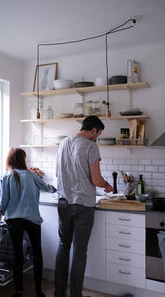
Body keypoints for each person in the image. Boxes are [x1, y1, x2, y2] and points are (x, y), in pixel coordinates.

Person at [54, 115, 113, 297]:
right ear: (93, 130)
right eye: (98, 134)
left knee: (63, 245)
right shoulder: (90, 146)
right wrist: (106, 185)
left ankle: (58, 292)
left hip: (63, 202)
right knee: (79, 251)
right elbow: (96, 179)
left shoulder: (63, 143)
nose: (98, 138)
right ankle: (76, 295)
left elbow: (57, 173)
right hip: (83, 206)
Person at [0, 147, 56, 297]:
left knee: (17, 255)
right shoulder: (32, 175)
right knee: (37, 254)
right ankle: (39, 291)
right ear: (23, 159)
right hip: (32, 219)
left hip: (14, 221)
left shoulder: (5, 177)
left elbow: (4, 201)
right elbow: (47, 188)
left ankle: (19, 291)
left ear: (10, 160)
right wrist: (58, 190)